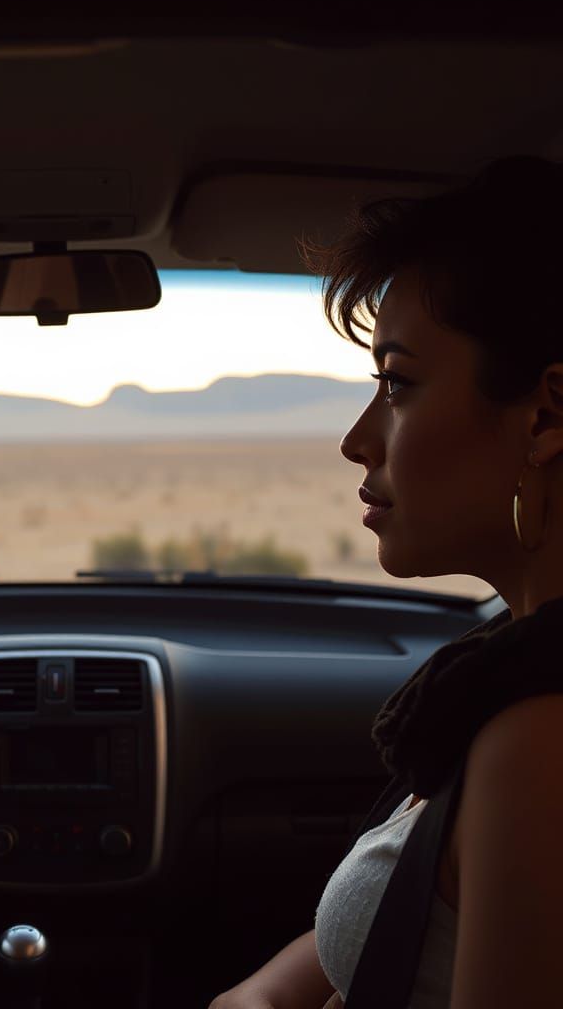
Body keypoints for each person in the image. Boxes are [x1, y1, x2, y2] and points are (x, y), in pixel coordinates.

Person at [210, 155, 563, 1009]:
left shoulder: (539, 741)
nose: (356, 440)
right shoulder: (498, 671)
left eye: (398, 385)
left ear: (545, 417)